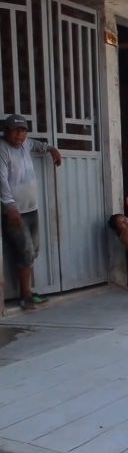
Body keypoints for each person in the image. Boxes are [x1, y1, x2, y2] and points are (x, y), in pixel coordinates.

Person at [0, 114, 61, 310]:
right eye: (16, 131)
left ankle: (29, 291)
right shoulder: (2, 149)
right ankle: (25, 295)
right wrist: (9, 206)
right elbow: (1, 181)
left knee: (33, 250)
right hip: (15, 211)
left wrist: (51, 149)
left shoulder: (25, 144)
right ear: (6, 131)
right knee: (25, 251)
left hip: (31, 209)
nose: (20, 135)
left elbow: (36, 145)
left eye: (23, 131)